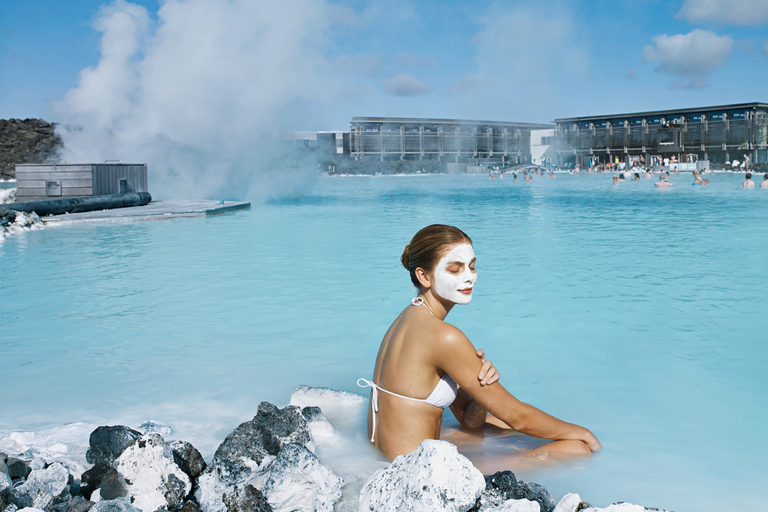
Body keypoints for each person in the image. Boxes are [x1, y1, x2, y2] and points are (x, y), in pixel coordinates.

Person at [359, 225, 601, 461]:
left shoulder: (406, 320)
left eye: (472, 266)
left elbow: (470, 422)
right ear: (424, 276)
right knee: (577, 448)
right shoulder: (444, 336)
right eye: (454, 269)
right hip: (416, 475)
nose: (468, 277)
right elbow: (520, 418)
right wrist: (585, 434)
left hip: (390, 458)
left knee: (495, 423)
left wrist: (477, 386)